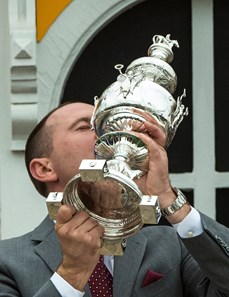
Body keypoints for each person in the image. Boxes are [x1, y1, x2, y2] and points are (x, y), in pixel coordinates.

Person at [0, 101, 229, 297]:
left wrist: (168, 200)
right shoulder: (7, 260)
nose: (109, 131)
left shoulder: (170, 244)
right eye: (86, 126)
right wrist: (72, 273)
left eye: (107, 123)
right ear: (44, 168)